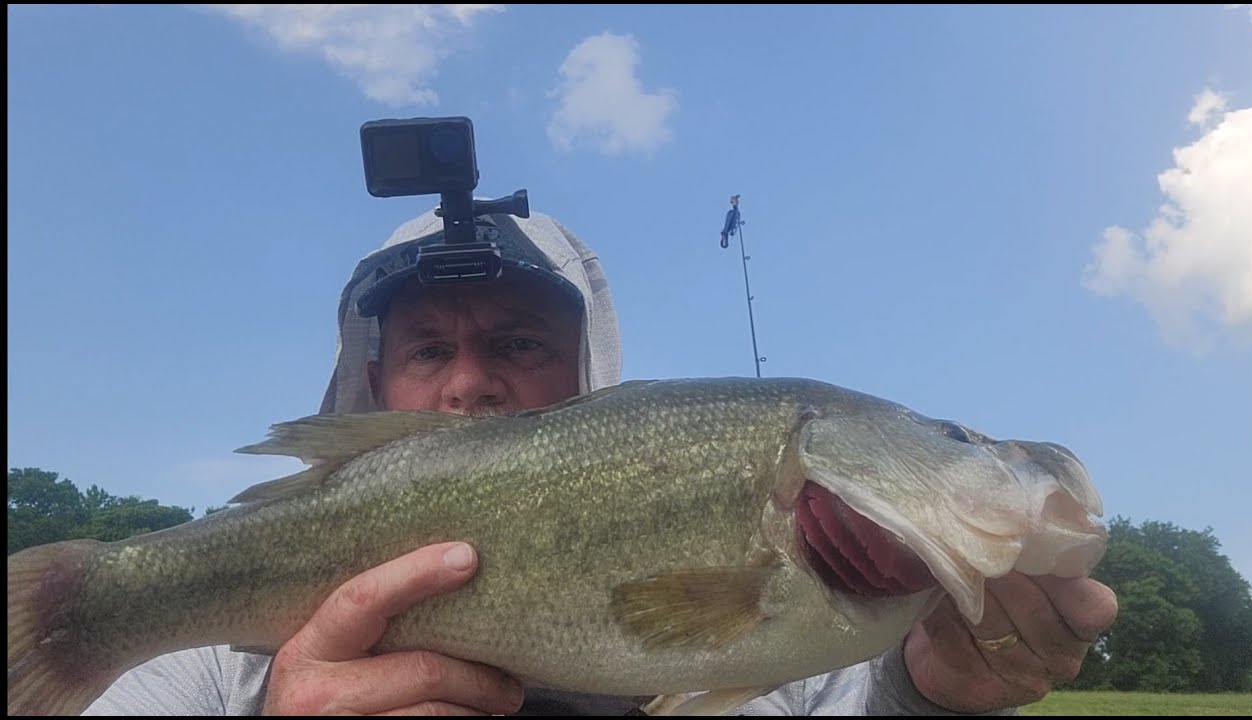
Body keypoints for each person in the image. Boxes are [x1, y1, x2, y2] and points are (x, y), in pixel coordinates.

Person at [84, 206, 1117, 716]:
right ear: (366, 384)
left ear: (593, 376)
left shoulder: (805, 673)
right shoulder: (200, 670)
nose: (468, 386)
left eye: (519, 344)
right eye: (427, 349)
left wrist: (923, 695)